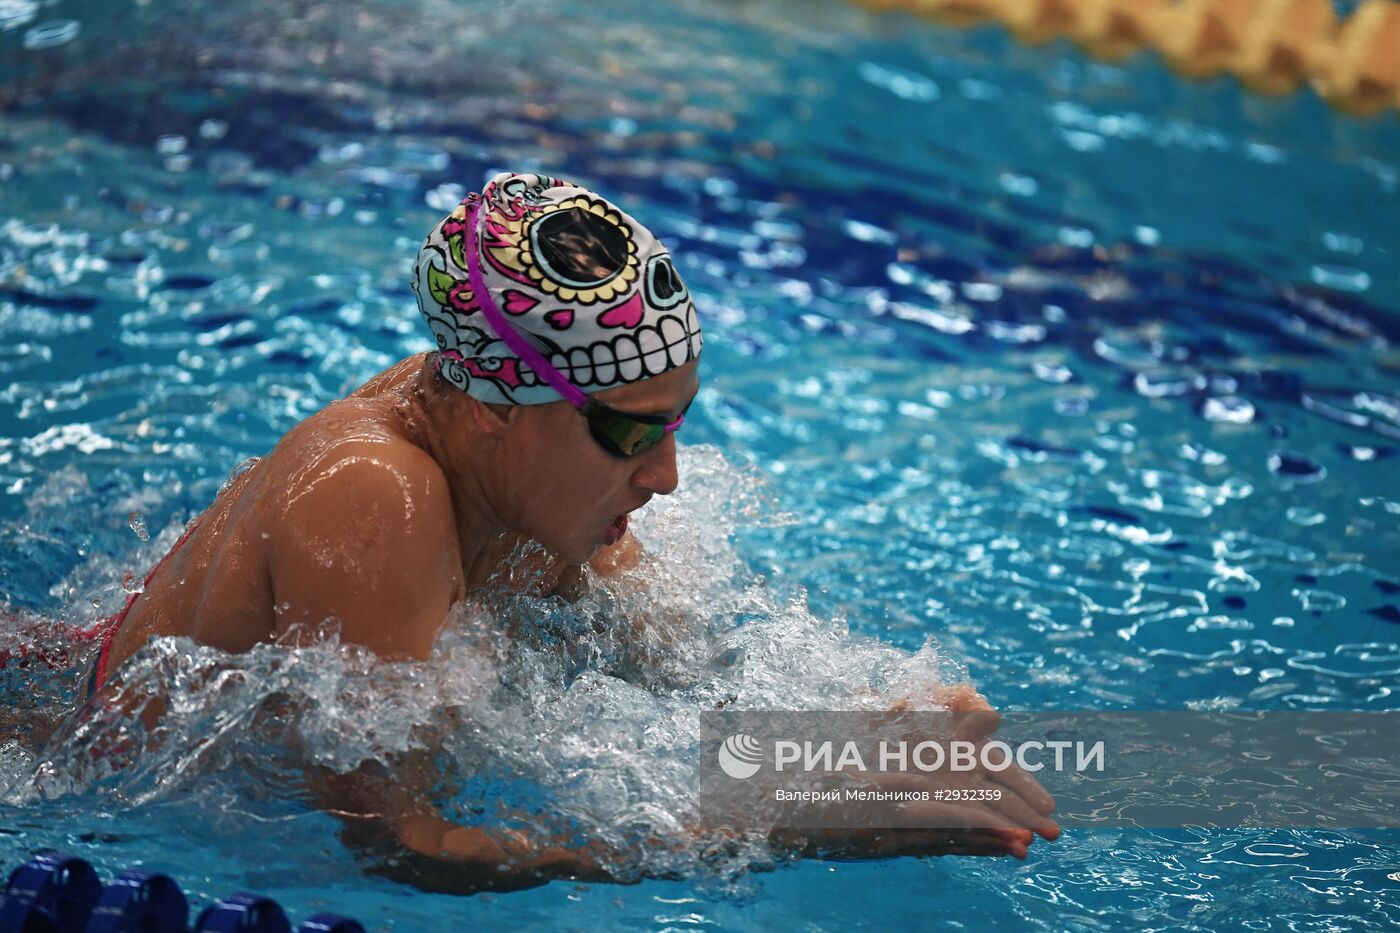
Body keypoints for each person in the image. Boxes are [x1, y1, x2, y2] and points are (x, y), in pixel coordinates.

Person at [81, 172, 1057, 889]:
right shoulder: (379, 495)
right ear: (493, 409)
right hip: (99, 790)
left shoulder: (520, 482)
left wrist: (853, 727)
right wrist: (791, 820)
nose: (665, 474)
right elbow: (399, 841)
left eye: (676, 422)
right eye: (629, 430)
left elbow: (667, 664)